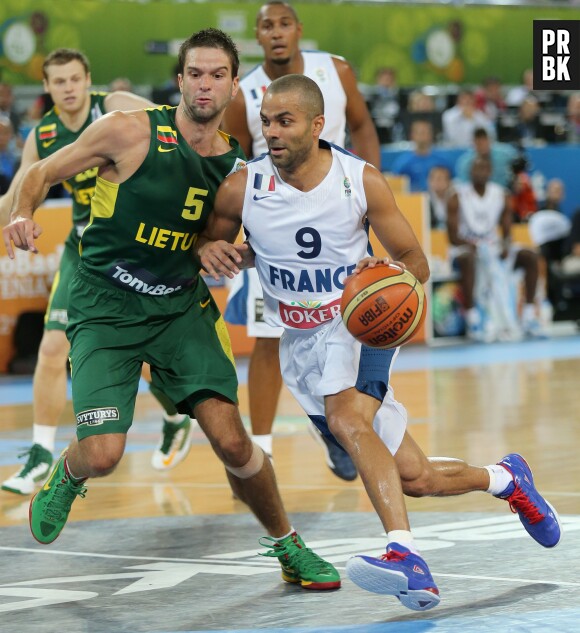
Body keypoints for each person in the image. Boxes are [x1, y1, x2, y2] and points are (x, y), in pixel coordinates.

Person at [194, 74, 561, 612]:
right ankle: (506, 479)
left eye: (285, 122)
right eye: (266, 122)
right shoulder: (241, 186)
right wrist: (221, 252)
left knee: (348, 420)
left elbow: (418, 262)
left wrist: (384, 268)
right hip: (301, 343)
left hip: (359, 321)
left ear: (317, 125)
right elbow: (213, 240)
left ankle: (405, 556)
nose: (272, 132)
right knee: (414, 477)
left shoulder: (358, 180)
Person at [2, 31, 340, 592]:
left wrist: (217, 249)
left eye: (217, 76)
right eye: (195, 74)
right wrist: (21, 213)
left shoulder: (238, 168)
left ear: (235, 86)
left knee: (234, 442)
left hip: (180, 307)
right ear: (180, 80)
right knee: (104, 453)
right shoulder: (127, 131)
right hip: (105, 303)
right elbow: (39, 174)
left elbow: (237, 243)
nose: (205, 84)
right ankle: (68, 471)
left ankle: (287, 544)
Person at [0, 48, 191, 496]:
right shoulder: (42, 135)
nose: (68, 88)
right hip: (83, 248)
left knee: (141, 353)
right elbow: (19, 190)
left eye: (74, 79)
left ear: (89, 80)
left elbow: (176, 128)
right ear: (47, 88)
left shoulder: (115, 108)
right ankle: (41, 454)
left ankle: (173, 413)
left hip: (133, 243)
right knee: (51, 347)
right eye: (58, 81)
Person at [221, 0, 380, 481]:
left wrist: (373, 192)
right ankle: (261, 451)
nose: (276, 33)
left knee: (349, 325)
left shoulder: (335, 70)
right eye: (266, 26)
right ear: (257, 35)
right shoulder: (243, 93)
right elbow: (235, 162)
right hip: (275, 226)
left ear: (297, 30)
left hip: (337, 217)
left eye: (283, 23)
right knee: (270, 335)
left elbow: (364, 126)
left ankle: (342, 428)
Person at [447, 156, 545, 342]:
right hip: (465, 249)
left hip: (492, 248)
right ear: (470, 172)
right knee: (468, 258)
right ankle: (473, 319)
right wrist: (474, 246)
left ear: (490, 172)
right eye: (476, 168)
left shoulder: (502, 194)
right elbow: (452, 238)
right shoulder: (456, 196)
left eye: (484, 168)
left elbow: (507, 232)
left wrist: (505, 246)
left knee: (530, 256)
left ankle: (529, 316)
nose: (480, 172)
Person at [390, 119, 453, 193]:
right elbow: (395, 185)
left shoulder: (443, 160)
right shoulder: (403, 162)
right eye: (419, 133)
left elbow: (453, 182)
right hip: (412, 200)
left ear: (431, 135)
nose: (422, 136)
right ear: (412, 135)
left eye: (425, 133)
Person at [427, 165, 454, 230]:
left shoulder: (455, 199)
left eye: (441, 179)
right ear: (429, 182)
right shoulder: (424, 201)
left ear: (449, 182)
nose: (438, 183)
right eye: (435, 179)